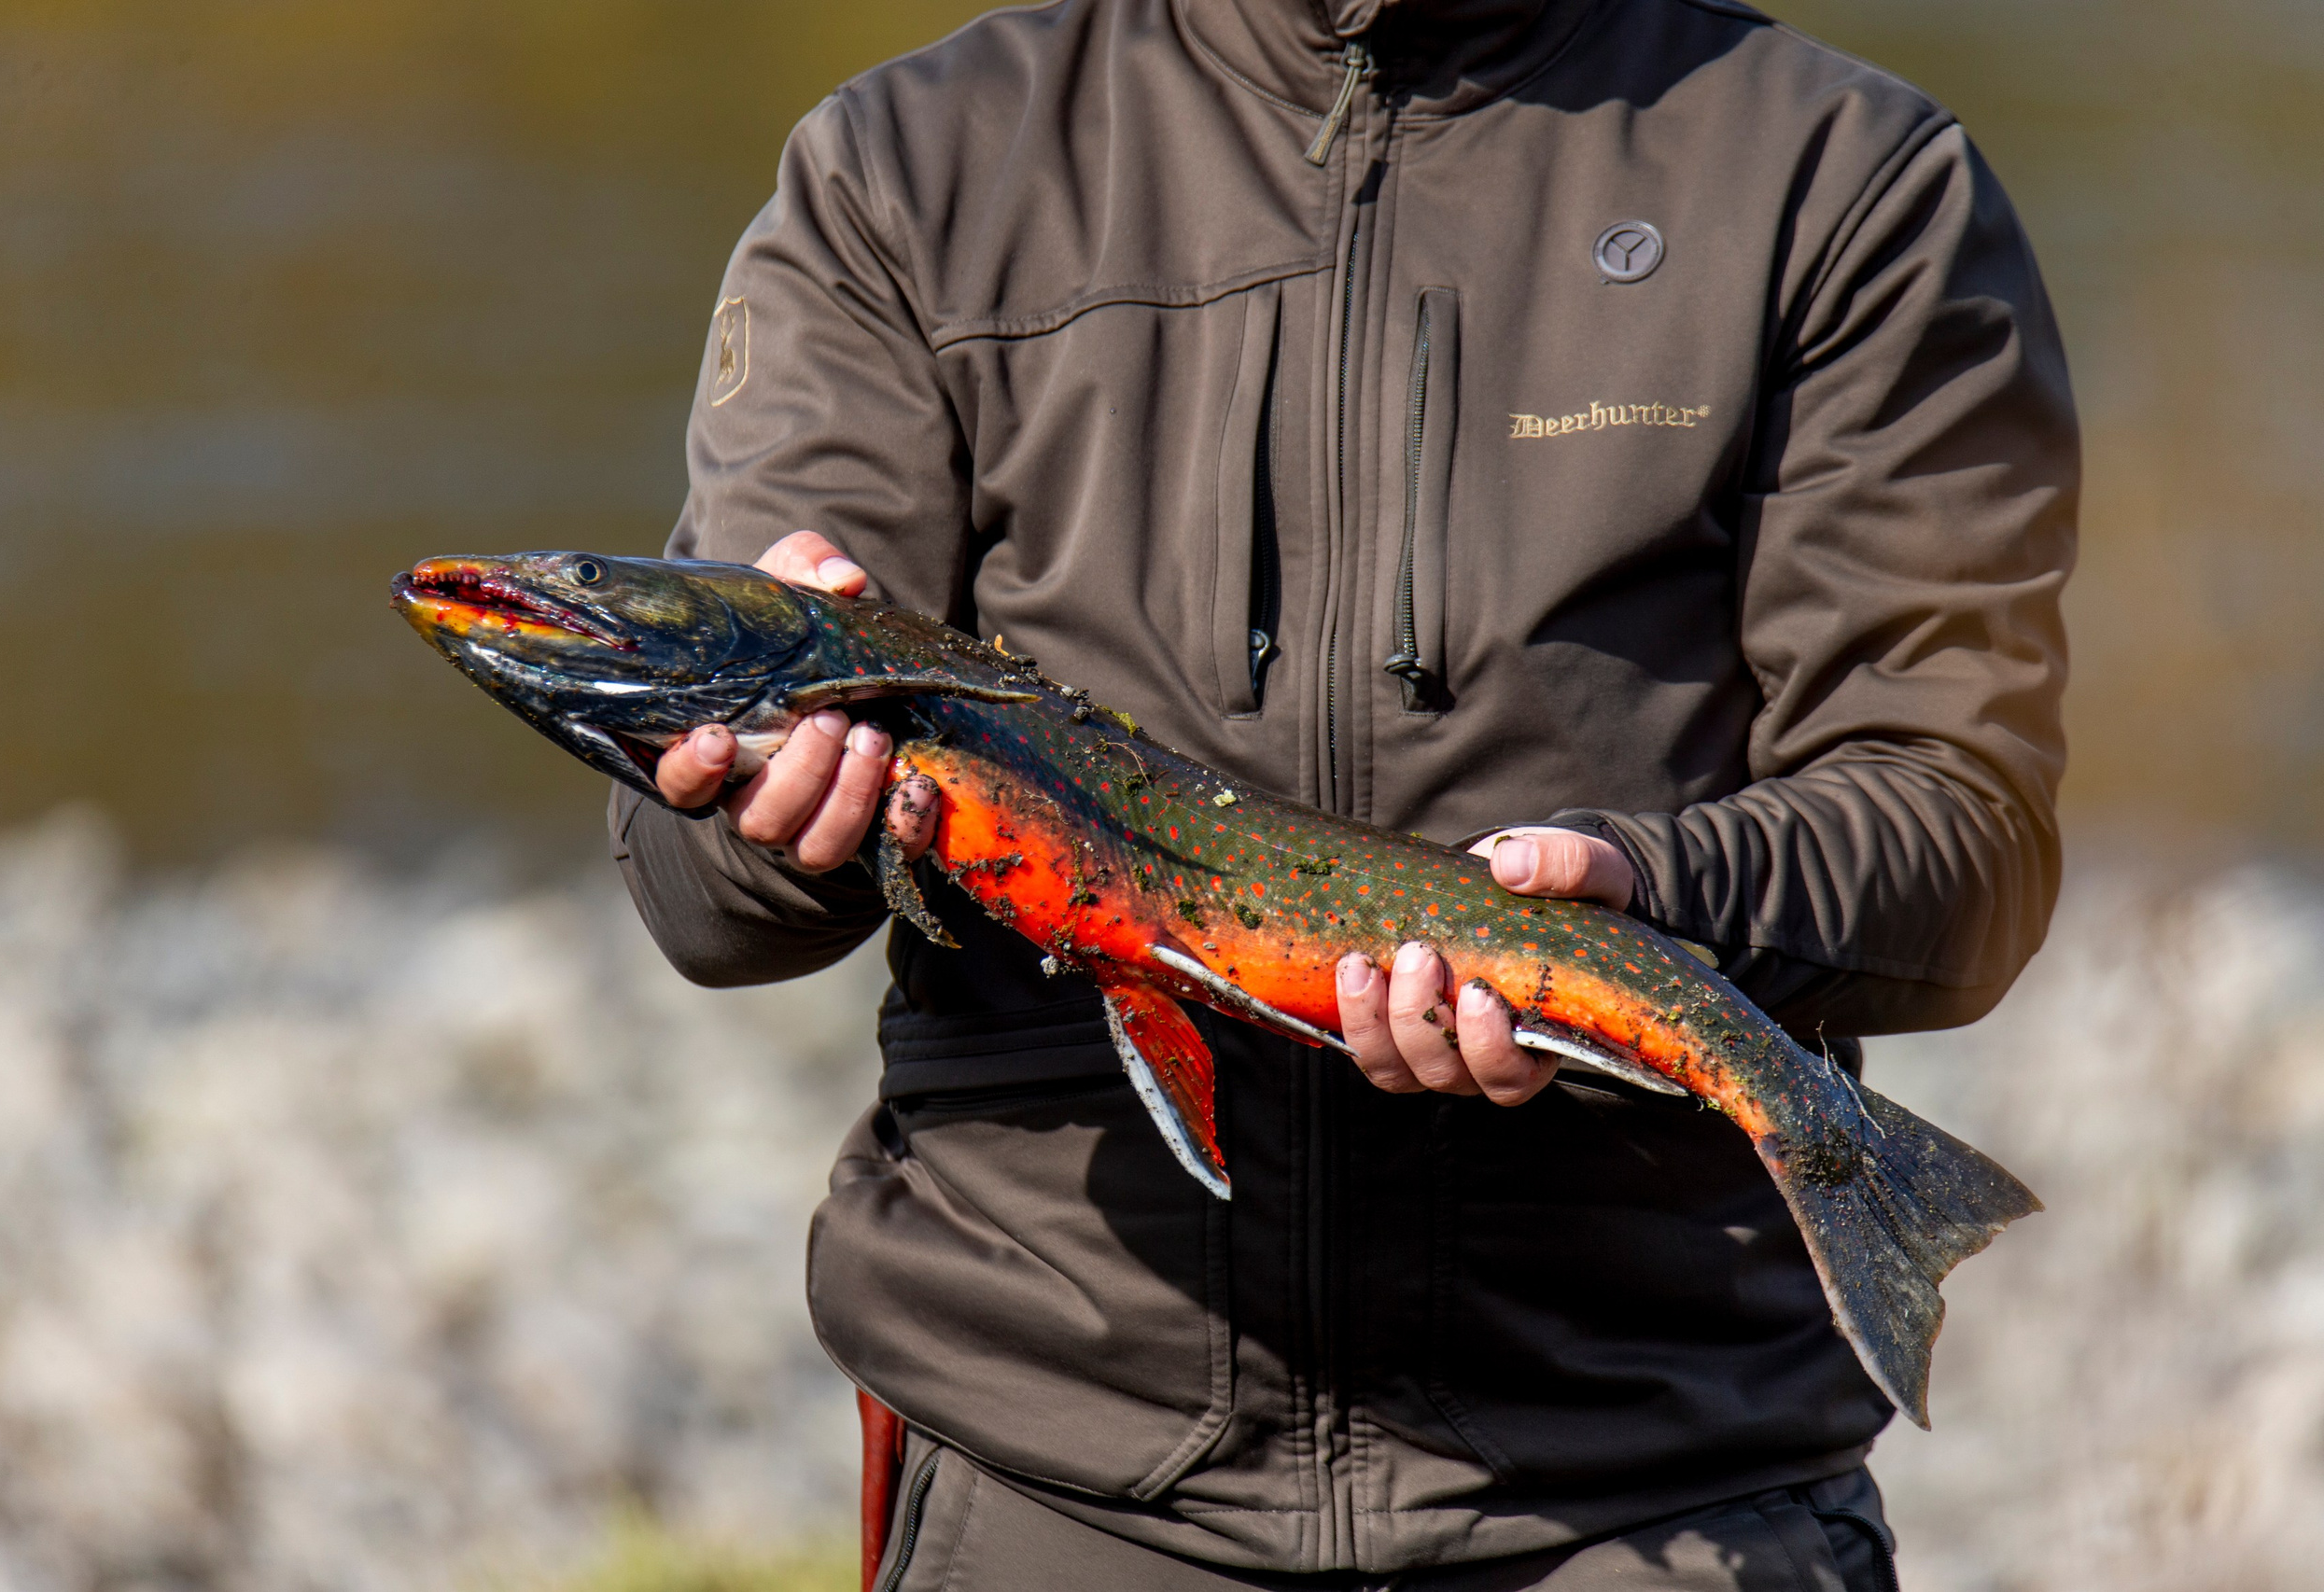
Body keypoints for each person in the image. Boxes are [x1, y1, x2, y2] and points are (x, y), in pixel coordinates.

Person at [610, 1, 2076, 1586]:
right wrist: (766, 822)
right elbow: (695, 905)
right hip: (1056, 1472)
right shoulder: (911, 165)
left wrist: (1648, 905)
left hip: (1658, 1481)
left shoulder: (1842, 175)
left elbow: (1961, 826)